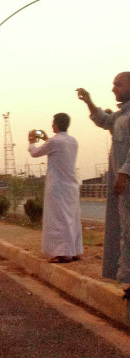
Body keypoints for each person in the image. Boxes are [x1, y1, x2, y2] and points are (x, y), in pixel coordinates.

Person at [77, 72, 130, 282]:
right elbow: (103, 120)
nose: (114, 89)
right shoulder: (120, 116)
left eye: (119, 84)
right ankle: (125, 278)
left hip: (125, 181)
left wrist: (124, 172)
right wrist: (89, 101)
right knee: (123, 230)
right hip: (122, 186)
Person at [27, 113, 82, 263]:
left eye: (53, 123)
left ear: (56, 125)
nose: (52, 126)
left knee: (58, 220)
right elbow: (56, 148)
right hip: (72, 185)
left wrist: (32, 142)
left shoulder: (54, 142)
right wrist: (47, 139)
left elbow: (35, 153)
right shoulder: (72, 141)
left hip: (57, 186)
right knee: (72, 219)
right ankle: (74, 251)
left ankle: (63, 253)